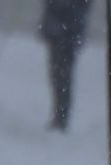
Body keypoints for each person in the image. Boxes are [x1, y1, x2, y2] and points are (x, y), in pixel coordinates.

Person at [39, 0, 93, 131]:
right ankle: (60, 116)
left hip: (68, 32)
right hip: (59, 30)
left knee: (63, 76)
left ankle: (61, 118)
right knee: (57, 75)